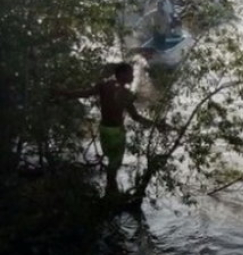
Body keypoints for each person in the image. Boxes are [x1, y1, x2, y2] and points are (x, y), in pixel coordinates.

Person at [59, 63, 165, 194]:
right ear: (121, 74)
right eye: (130, 73)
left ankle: (110, 188)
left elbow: (84, 93)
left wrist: (64, 93)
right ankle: (111, 189)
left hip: (104, 130)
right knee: (114, 163)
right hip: (116, 132)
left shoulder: (104, 85)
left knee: (112, 162)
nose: (132, 76)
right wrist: (156, 125)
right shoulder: (125, 93)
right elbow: (136, 117)